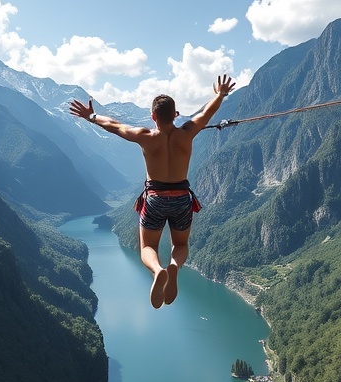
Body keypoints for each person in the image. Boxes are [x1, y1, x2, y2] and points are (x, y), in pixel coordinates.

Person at [69, 74, 237, 308]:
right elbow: (207, 113)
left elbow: (115, 126)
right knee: (180, 245)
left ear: (153, 117)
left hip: (155, 199)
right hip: (181, 199)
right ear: (176, 115)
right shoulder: (187, 132)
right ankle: (174, 268)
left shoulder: (144, 137)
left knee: (148, 247)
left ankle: (158, 270)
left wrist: (91, 116)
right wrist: (220, 94)